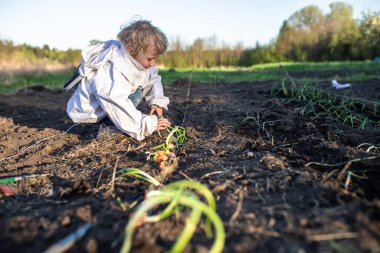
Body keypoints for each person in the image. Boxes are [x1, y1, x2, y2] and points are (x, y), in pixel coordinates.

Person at [66, 19, 171, 141]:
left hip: (106, 104)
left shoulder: (136, 59)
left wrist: (156, 102)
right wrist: (146, 124)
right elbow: (114, 100)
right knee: (136, 95)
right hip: (91, 114)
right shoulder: (111, 69)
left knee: (136, 93)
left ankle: (119, 124)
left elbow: (152, 77)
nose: (153, 63)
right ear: (131, 50)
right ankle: (107, 128)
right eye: (149, 59)